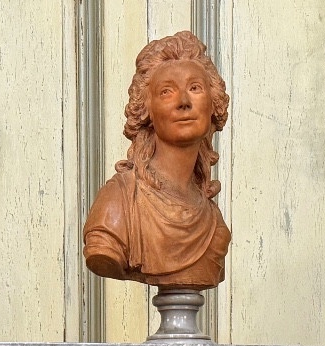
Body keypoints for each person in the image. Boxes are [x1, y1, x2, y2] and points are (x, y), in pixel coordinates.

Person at [83, 31, 231, 288]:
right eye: (166, 92)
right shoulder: (118, 204)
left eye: (194, 88)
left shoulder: (215, 227)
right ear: (146, 110)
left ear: (213, 104)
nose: (184, 102)